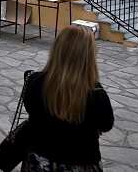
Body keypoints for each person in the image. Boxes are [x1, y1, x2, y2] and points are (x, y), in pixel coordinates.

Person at [22, 25, 114, 171]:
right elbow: (106, 124)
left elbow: (31, 109)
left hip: (39, 161)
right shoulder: (95, 93)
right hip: (82, 161)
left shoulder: (35, 81)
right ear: (88, 56)